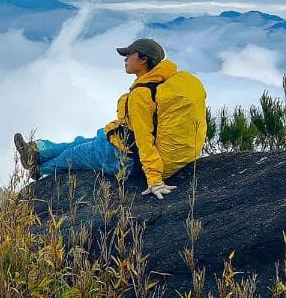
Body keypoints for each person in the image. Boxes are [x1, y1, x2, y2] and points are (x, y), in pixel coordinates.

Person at [14, 38, 207, 200]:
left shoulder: (142, 94)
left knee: (71, 156)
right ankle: (37, 150)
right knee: (82, 142)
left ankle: (39, 168)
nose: (124, 59)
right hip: (124, 143)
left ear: (143, 59)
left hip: (124, 157)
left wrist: (155, 180)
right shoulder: (162, 83)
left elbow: (144, 139)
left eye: (128, 55)